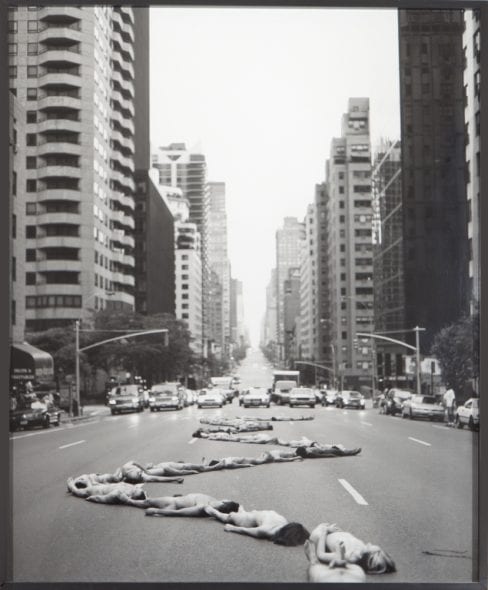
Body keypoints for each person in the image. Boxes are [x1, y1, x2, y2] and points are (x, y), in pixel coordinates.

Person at [309, 522, 396, 575]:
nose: (369, 543)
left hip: (320, 536)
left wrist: (325, 531)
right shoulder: (361, 548)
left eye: (369, 547)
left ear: (366, 556)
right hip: (331, 532)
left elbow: (321, 555)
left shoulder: (346, 556)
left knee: (317, 533)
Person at [204, 504, 310, 546]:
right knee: (229, 517)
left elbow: (247, 531)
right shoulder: (268, 530)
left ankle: (242, 511)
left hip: (258, 516)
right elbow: (246, 530)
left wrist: (233, 528)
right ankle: (215, 513)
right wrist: (232, 528)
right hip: (252, 518)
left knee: (242, 516)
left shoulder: (284, 524)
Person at [123, 492, 240, 516]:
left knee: (148, 502)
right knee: (148, 501)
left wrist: (157, 511)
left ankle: (126, 500)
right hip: (177, 499)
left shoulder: (204, 507)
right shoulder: (213, 499)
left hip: (173, 504)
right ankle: (129, 500)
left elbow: (180, 512)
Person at [67, 477, 148, 504]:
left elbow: (104, 498)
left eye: (134, 491)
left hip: (98, 491)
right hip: (103, 486)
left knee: (78, 492)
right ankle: (88, 483)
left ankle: (71, 485)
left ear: (130, 496)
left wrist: (93, 498)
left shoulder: (120, 495)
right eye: (136, 488)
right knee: (92, 485)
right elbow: (143, 493)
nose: (134, 488)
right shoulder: (129, 488)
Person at [206, 448, 303, 469]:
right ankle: (294, 457)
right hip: (250, 460)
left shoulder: (224, 460)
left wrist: (206, 463)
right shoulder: (227, 463)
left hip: (250, 459)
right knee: (271, 458)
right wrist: (247, 465)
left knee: (268, 457)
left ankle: (294, 456)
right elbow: (236, 465)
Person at [114, 461, 184, 484]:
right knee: (158, 476)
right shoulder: (125, 476)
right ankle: (176, 477)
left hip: (143, 472)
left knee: (162, 469)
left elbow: (134, 462)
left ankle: (177, 466)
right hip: (142, 475)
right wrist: (175, 479)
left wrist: (145, 470)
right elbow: (157, 479)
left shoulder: (125, 467)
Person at [295, 444, 362, 459]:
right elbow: (320, 456)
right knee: (342, 452)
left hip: (327, 449)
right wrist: (330, 455)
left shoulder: (308, 452)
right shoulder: (310, 454)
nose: (306, 448)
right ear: (304, 451)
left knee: (341, 450)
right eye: (305, 449)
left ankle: (353, 451)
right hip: (329, 451)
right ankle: (354, 452)